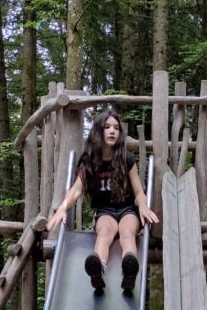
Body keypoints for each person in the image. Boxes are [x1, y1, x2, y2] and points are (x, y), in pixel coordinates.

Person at [47, 110, 159, 294]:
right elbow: (76, 190)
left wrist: (144, 206)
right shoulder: (89, 162)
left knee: (127, 233)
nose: (112, 131)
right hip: (105, 211)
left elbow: (139, 191)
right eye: (107, 127)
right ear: (98, 132)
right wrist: (61, 209)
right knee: (104, 233)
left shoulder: (126, 159)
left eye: (116, 128)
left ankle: (129, 271)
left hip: (128, 210)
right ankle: (97, 268)